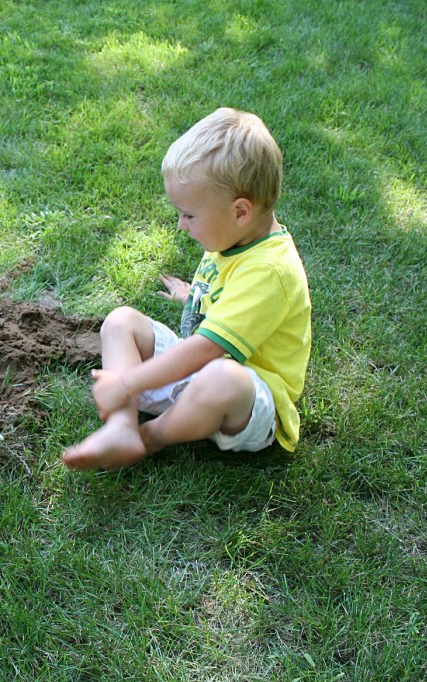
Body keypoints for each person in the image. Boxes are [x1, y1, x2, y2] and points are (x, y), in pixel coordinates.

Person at [63, 107, 311, 470]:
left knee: (221, 378)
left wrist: (128, 383)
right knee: (120, 322)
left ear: (240, 211)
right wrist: (193, 296)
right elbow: (226, 301)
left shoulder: (270, 270)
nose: (181, 224)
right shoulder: (234, 235)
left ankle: (150, 437)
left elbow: (207, 349)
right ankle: (121, 427)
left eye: (190, 215)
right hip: (200, 369)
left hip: (246, 399)